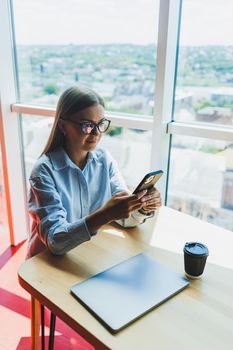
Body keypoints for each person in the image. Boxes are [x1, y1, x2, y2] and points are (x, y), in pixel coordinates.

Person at [27, 85, 162, 258]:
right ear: (62, 126)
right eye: (87, 125)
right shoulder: (44, 172)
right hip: (46, 262)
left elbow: (124, 218)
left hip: (87, 254)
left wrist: (141, 205)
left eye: (100, 124)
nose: (96, 133)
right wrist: (105, 215)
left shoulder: (105, 160)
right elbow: (55, 241)